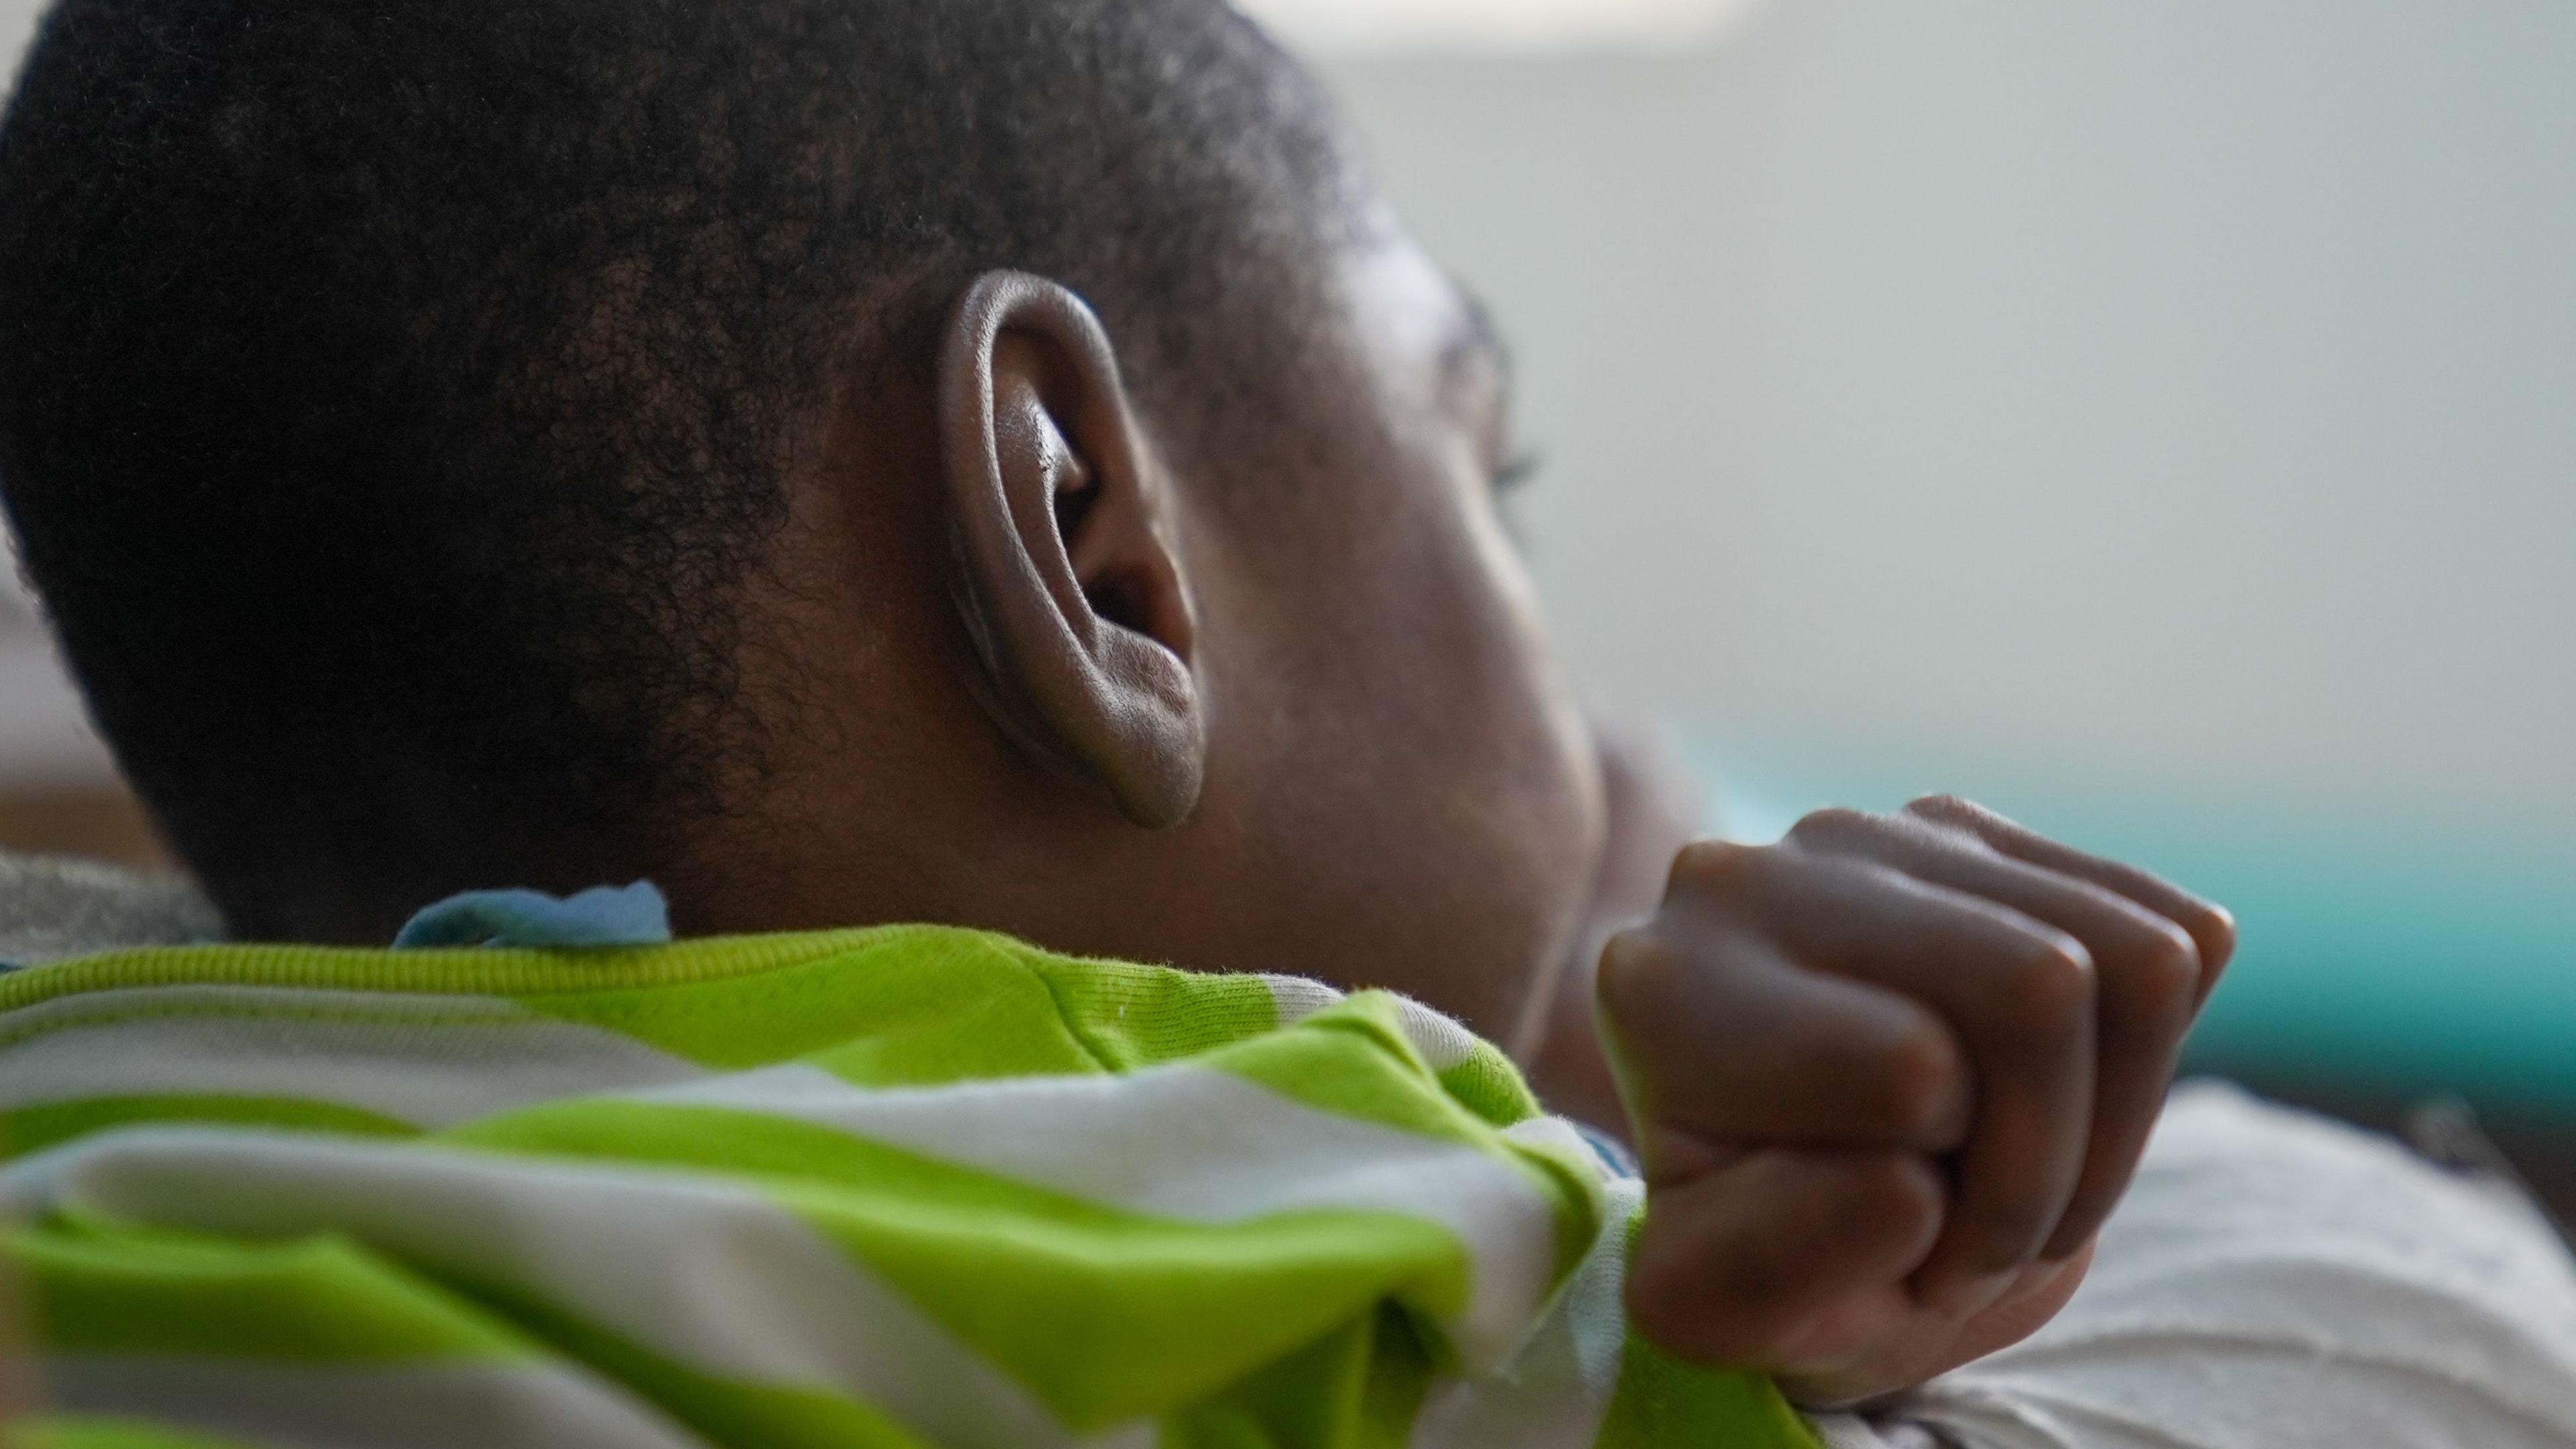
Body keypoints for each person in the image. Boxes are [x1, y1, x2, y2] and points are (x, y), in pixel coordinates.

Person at [0, 1, 2570, 1445]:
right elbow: (2450, 1337)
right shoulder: (1379, 1273)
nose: (1614, 726)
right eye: (1495, 471)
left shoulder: (84, 1086)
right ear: (1100, 546)